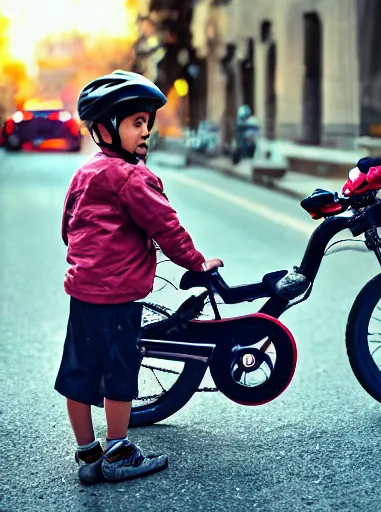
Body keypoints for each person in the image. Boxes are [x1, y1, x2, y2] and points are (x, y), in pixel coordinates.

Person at [54, 70, 223, 485]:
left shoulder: (84, 174)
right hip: (118, 299)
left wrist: (87, 261)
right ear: (105, 129)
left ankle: (88, 455)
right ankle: (117, 451)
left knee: (78, 375)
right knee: (118, 376)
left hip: (83, 293)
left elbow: (66, 228)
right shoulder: (133, 177)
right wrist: (197, 264)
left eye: (147, 122)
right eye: (135, 123)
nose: (146, 132)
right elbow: (167, 228)